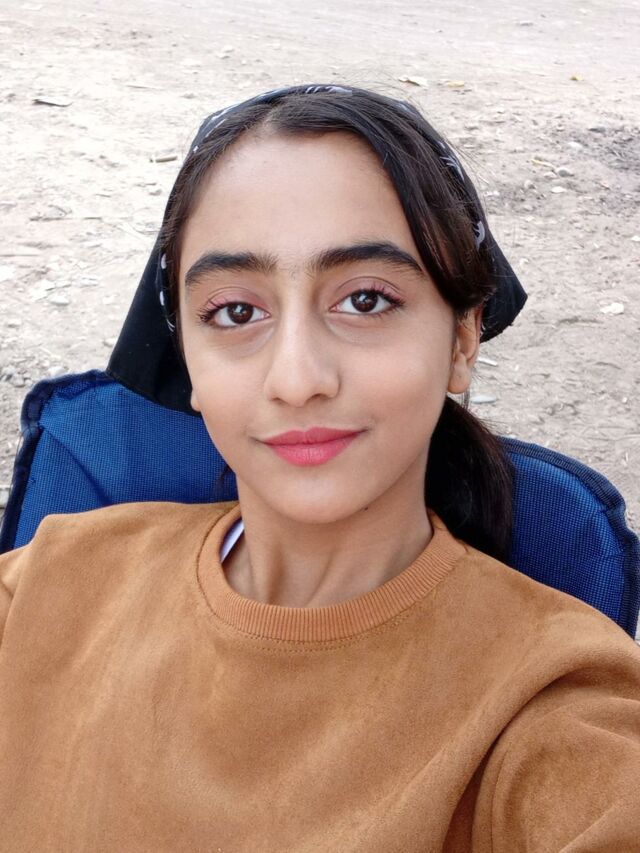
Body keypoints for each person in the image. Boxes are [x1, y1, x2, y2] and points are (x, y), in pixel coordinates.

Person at [0, 84, 639, 852]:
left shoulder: (548, 700)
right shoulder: (47, 584)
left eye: (365, 299)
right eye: (237, 312)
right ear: (189, 362)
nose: (297, 377)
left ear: (463, 340)